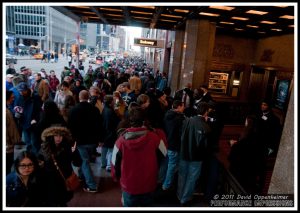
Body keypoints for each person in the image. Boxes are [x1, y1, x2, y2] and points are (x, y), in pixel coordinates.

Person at [111, 107, 167, 207]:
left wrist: (117, 178)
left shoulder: (120, 142)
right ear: (144, 120)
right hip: (148, 183)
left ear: (128, 121)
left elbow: (114, 165)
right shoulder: (154, 138)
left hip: (128, 185)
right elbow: (164, 154)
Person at [68, 90, 103, 193]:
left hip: (80, 141)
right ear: (88, 97)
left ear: (79, 97)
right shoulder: (95, 109)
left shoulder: (74, 110)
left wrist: (72, 141)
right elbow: (99, 125)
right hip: (93, 141)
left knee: (85, 162)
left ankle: (91, 185)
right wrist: (100, 139)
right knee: (86, 161)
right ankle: (82, 177)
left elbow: (70, 127)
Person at [177, 102, 212, 206]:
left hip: (184, 153)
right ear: (206, 112)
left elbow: (181, 135)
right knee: (192, 178)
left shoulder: (187, 121)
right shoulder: (206, 127)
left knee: (182, 175)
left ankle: (179, 195)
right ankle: (185, 198)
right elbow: (206, 147)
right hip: (196, 157)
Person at [39, 125, 78, 206]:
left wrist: (74, 152)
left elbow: (78, 163)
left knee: (62, 201)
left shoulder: (67, 147)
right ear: (50, 136)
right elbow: (39, 164)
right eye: (56, 135)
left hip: (64, 179)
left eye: (61, 135)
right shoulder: (44, 148)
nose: (58, 138)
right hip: (49, 181)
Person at [228, 115, 259, 194]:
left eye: (246, 121)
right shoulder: (255, 134)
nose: (245, 123)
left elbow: (240, 150)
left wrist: (234, 144)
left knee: (238, 186)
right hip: (249, 166)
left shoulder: (247, 135)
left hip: (241, 165)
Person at [162, 100, 185, 191]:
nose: (184, 108)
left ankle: (162, 181)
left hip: (166, 143)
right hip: (174, 145)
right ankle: (166, 185)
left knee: (167, 164)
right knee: (172, 166)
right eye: (183, 106)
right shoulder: (179, 118)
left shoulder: (167, 114)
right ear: (178, 107)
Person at [6, 91, 21, 174]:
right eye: (12, 97)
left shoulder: (8, 109)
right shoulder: (5, 112)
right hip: (10, 146)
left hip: (13, 143)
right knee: (8, 168)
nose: (13, 99)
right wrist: (8, 145)